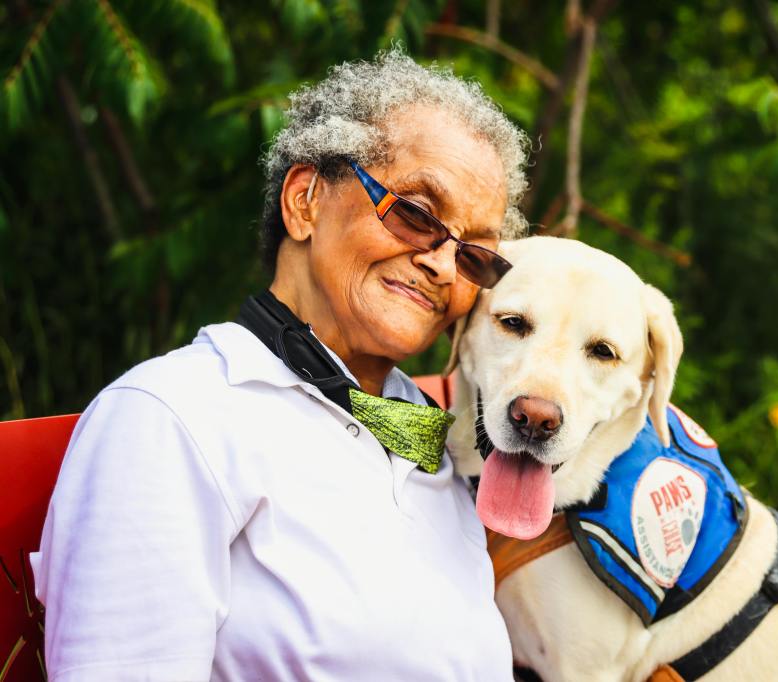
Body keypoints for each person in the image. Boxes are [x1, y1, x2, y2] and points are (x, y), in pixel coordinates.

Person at [30, 49, 529, 681]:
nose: (439, 263)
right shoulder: (174, 417)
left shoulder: (438, 437)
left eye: (474, 254)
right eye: (416, 214)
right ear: (305, 200)